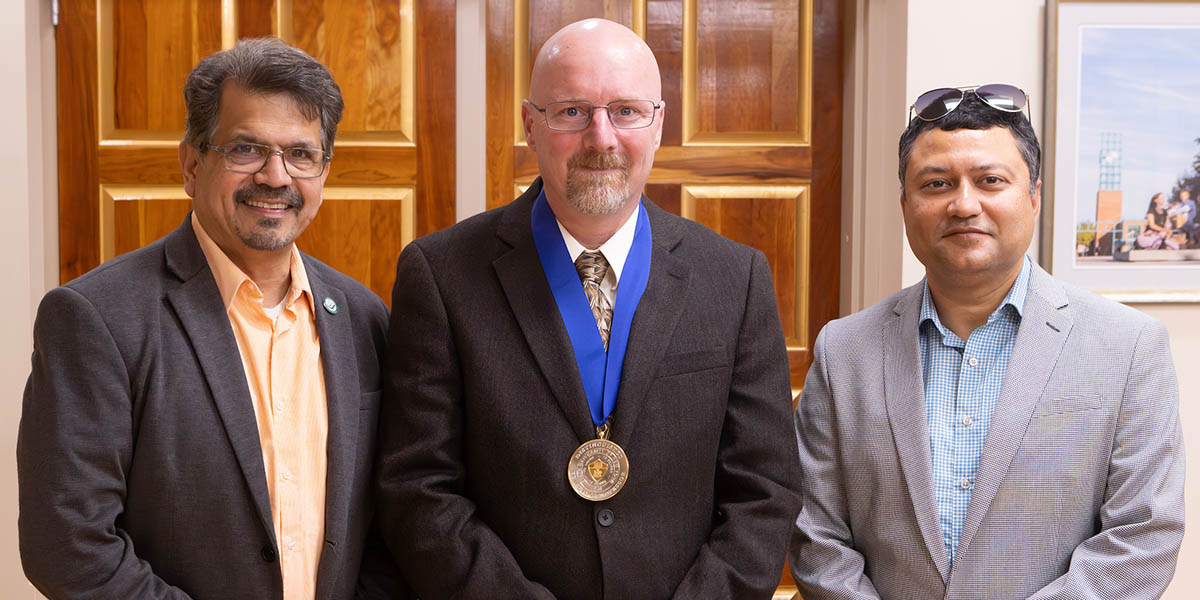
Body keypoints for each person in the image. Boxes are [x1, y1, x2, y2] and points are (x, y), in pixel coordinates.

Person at [376, 18, 798, 599]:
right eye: (572, 111)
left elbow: (765, 488)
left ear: (657, 125)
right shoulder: (442, 274)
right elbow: (418, 488)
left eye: (625, 110)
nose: (601, 138)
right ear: (530, 124)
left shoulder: (735, 277)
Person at [18, 38, 404, 599]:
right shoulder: (96, 319)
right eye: (246, 149)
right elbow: (69, 547)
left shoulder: (364, 317)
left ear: (323, 169)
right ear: (192, 163)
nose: (276, 178)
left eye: (301, 154)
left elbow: (389, 524)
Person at [789, 85, 1184, 599]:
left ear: (1034, 196)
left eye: (990, 180)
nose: (964, 204)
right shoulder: (843, 350)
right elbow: (815, 533)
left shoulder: (1129, 346)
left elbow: (1142, 539)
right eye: (937, 184)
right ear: (905, 205)